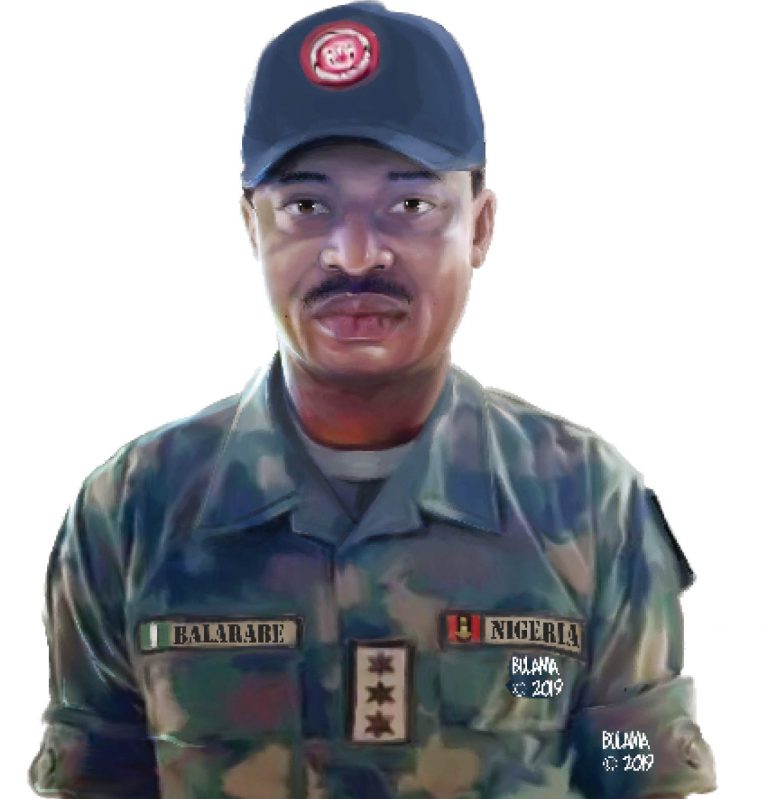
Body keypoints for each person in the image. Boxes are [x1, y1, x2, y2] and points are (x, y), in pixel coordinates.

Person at [28, 2, 716, 797]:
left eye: (410, 205)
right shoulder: (133, 510)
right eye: (307, 206)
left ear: (480, 226)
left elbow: (641, 774)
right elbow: (96, 781)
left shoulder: (590, 503)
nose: (354, 255)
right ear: (252, 226)